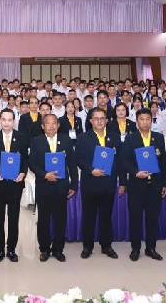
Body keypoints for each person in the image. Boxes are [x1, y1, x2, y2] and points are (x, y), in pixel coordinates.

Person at [118, 108, 166, 261]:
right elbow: (124, 161)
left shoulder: (158, 137)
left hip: (155, 186)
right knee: (136, 218)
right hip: (137, 185)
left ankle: (151, 248)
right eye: (142, 119)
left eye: (148, 119)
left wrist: (165, 184)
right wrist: (134, 173)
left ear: (151, 121)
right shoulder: (131, 139)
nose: (145, 122)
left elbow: (163, 162)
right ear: (137, 122)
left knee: (153, 218)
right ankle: (136, 248)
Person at [29, 113, 77, 262]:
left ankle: (58, 249)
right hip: (44, 186)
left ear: (58, 125)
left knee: (60, 219)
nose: (51, 126)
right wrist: (44, 175)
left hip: (61, 187)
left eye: (54, 123)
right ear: (42, 127)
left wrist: (74, 184)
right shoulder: (36, 141)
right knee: (43, 219)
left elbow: (72, 164)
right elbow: (32, 164)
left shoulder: (66, 140)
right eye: (47, 124)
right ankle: (44, 249)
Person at [74, 107, 120, 259]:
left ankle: (106, 246)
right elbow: (79, 160)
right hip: (90, 183)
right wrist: (91, 170)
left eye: (102, 118)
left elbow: (120, 160)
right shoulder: (83, 137)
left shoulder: (114, 137)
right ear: (91, 121)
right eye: (96, 118)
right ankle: (87, 246)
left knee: (106, 217)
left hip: (108, 184)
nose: (99, 121)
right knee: (89, 217)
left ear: (107, 121)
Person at [0, 107, 28, 262]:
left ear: (13, 121)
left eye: (10, 120)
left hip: (16, 183)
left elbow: (25, 159)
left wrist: (23, 173)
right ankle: (0, 248)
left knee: (14, 217)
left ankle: (11, 249)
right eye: (4, 120)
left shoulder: (22, 138)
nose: (7, 123)